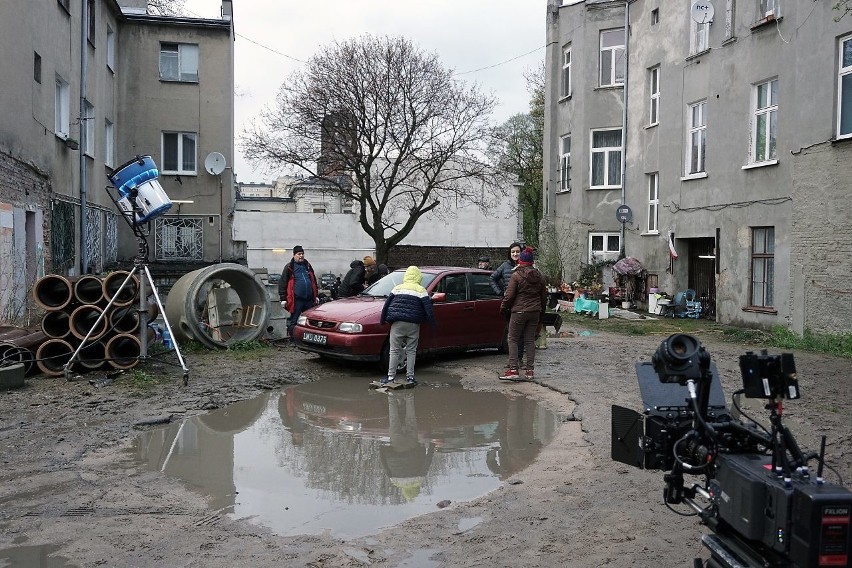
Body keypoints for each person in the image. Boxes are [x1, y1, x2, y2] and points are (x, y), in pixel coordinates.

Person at [379, 265, 437, 386]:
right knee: (411, 351)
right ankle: (410, 377)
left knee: (394, 350)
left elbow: (386, 305)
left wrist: (382, 320)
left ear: (406, 276)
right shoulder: (421, 290)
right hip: (413, 324)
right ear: (418, 277)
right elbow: (428, 309)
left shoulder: (397, 288)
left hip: (397, 323)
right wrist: (433, 325)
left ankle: (390, 377)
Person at [499, 247, 546, 381]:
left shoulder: (516, 276)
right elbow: (544, 298)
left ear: (520, 262)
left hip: (519, 311)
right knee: (529, 340)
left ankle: (513, 369)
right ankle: (529, 371)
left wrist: (503, 309)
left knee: (512, 338)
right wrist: (541, 314)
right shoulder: (540, 277)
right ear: (532, 262)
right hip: (535, 312)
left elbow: (508, 296)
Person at [278, 245, 319, 344]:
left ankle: (309, 340)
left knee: (310, 321)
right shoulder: (289, 267)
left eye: (302, 254)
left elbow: (313, 280)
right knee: (294, 320)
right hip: (296, 300)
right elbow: (283, 283)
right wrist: (283, 298)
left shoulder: (307, 265)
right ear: (294, 255)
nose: (301, 256)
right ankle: (293, 340)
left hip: (308, 299)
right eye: (299, 254)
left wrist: (316, 295)